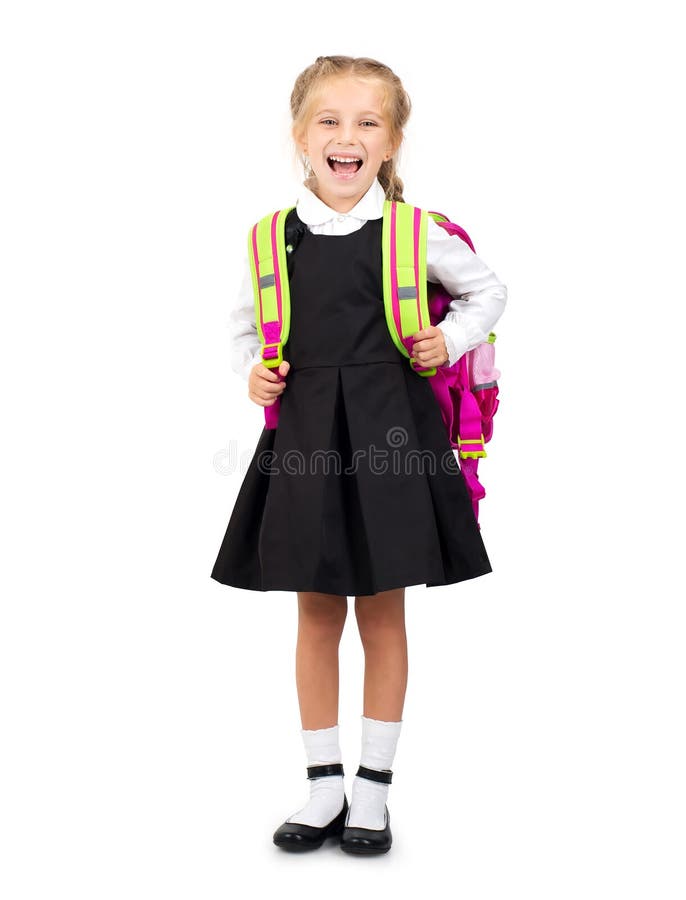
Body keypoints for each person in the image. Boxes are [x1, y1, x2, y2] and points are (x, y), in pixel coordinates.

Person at [211, 55, 507, 854]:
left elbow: (490, 293)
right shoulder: (271, 238)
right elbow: (244, 325)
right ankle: (320, 785)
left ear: (392, 141)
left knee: (382, 610)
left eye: (367, 122)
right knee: (313, 613)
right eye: (330, 121)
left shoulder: (418, 234)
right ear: (301, 137)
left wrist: (444, 339)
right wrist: (255, 370)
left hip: (392, 441)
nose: (347, 136)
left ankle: (372, 790)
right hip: (306, 439)